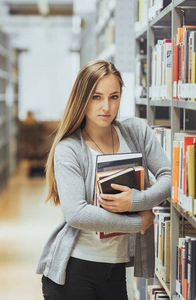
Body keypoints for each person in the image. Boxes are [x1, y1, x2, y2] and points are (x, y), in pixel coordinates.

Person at [36, 60, 172, 299]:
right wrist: (137, 223)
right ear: (82, 98)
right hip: (74, 271)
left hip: (115, 269)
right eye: (96, 97)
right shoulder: (69, 149)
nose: (106, 107)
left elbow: (168, 177)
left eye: (114, 96)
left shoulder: (136, 132)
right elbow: (76, 214)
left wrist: (136, 202)